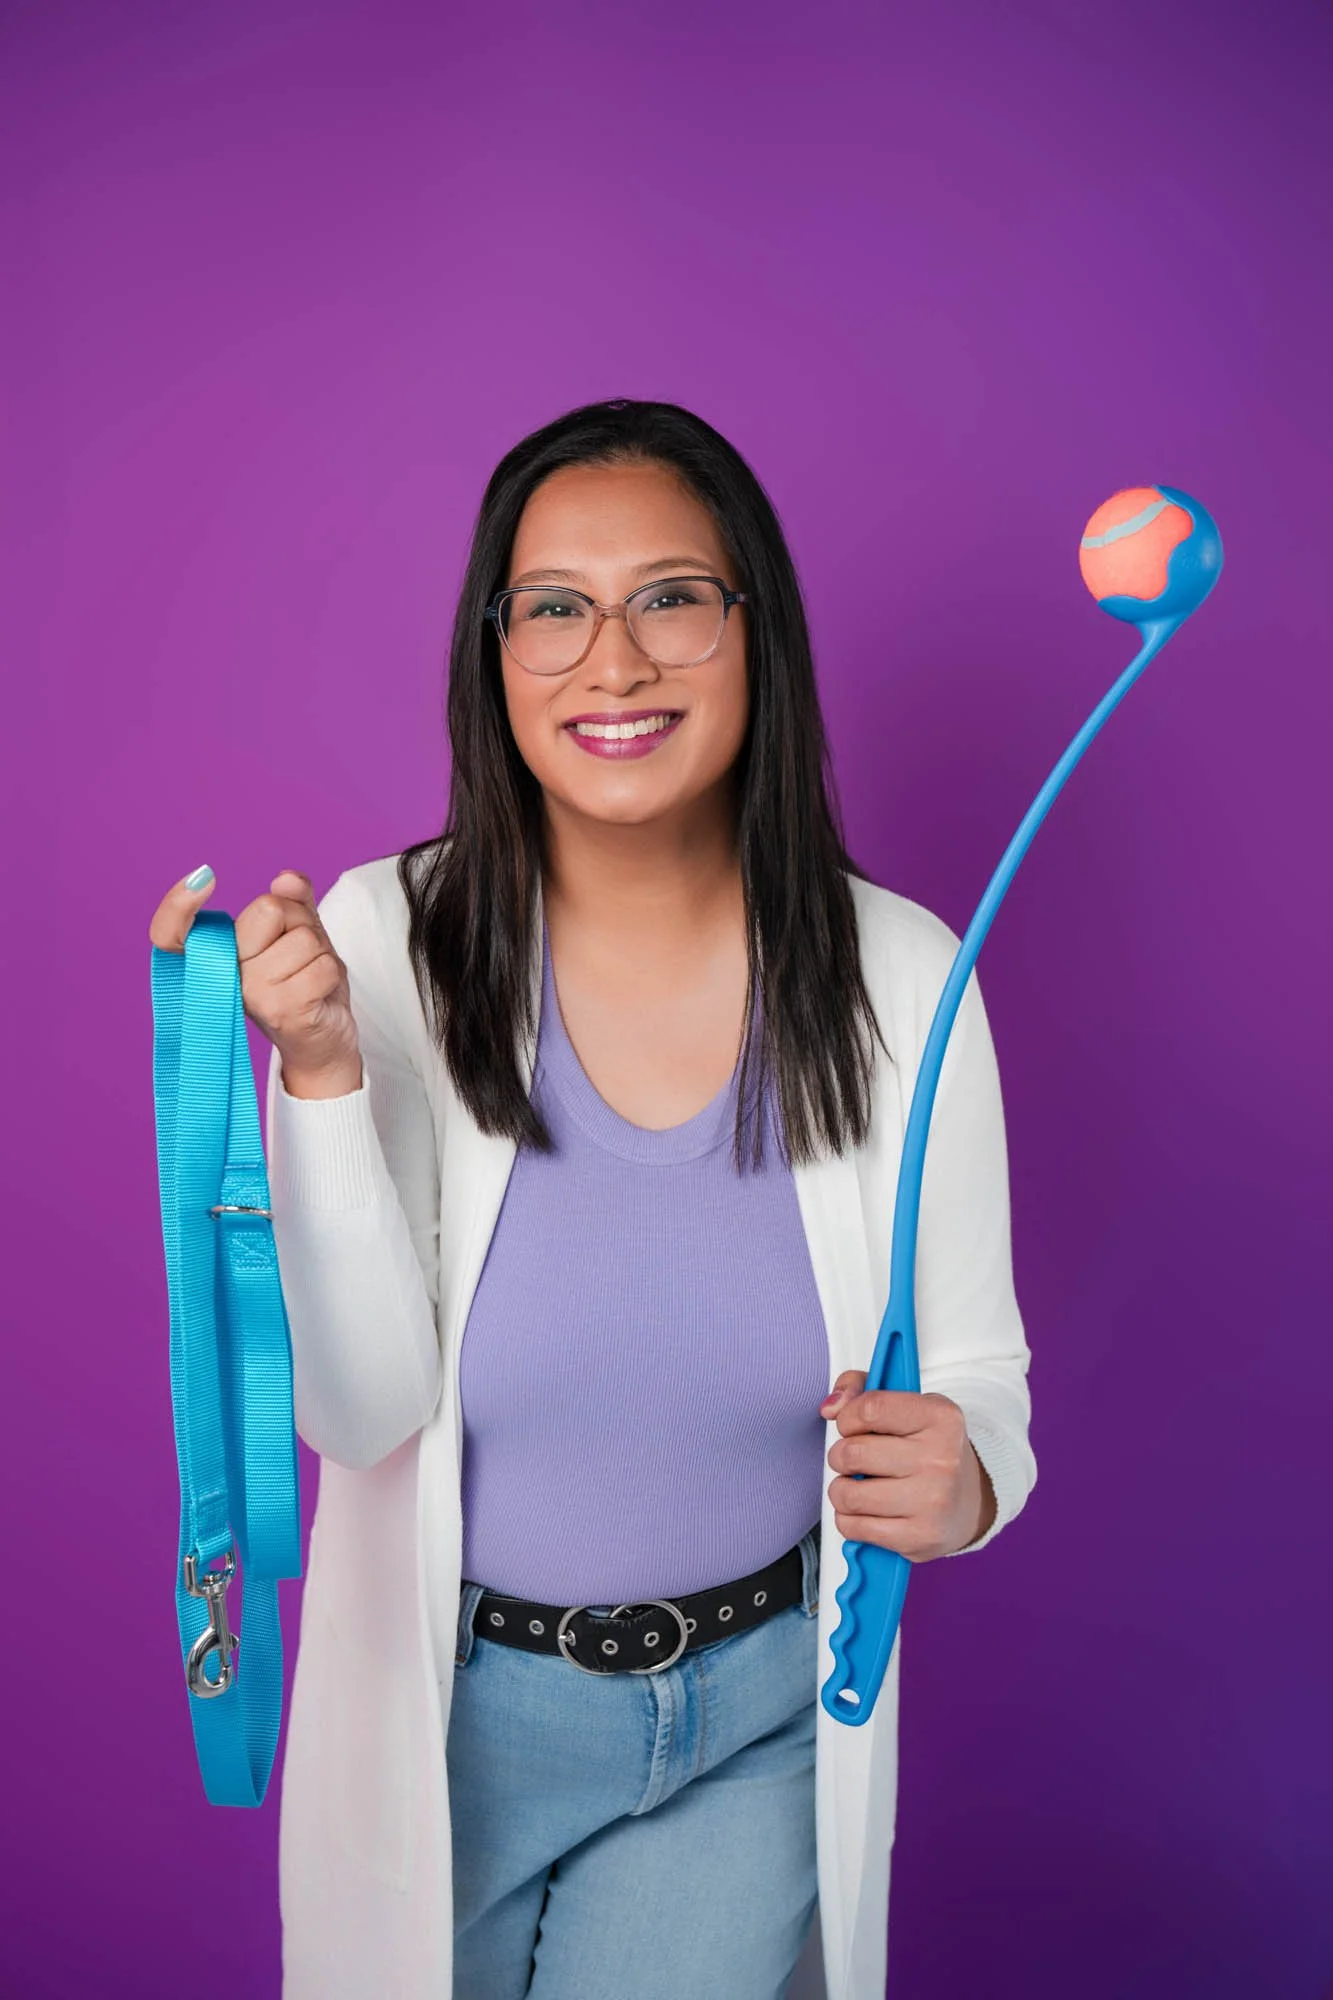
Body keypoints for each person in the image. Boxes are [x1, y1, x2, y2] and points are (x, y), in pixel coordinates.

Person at [148, 397, 1036, 2000]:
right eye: (553, 608)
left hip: (757, 1723)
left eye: (671, 599)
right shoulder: (383, 946)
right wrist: (323, 1075)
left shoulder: (909, 977)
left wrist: (965, 1479)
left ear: (756, 632)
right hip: (460, 1728)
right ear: (494, 654)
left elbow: (980, 1376)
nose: (611, 663)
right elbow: (358, 1414)